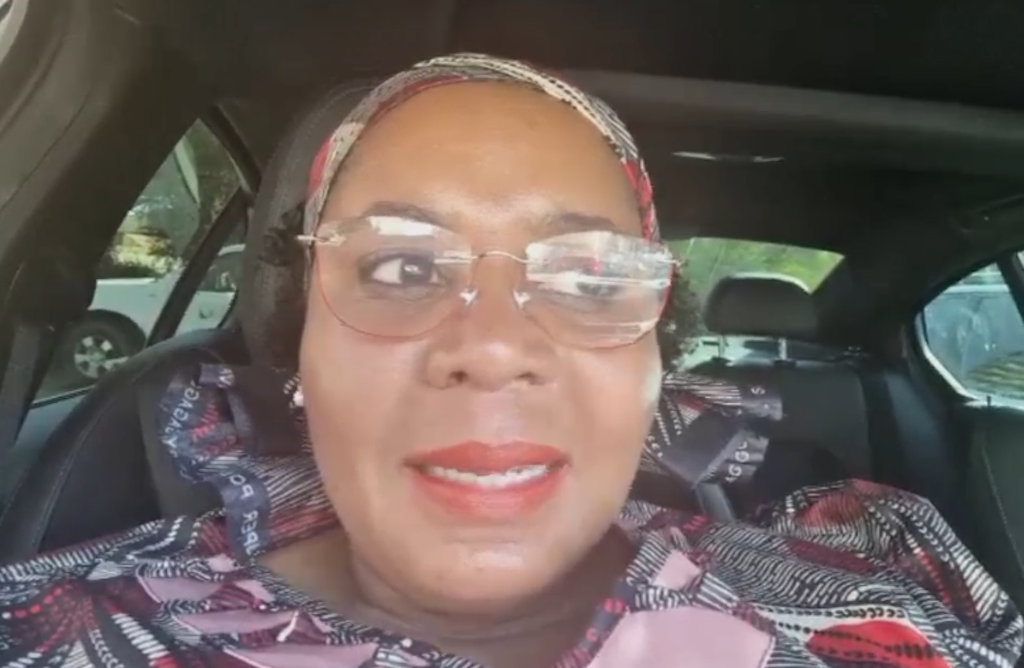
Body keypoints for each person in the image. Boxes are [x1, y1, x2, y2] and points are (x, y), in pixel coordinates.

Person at [0, 53, 1020, 668]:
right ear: (298, 340)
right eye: (402, 265)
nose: (491, 348)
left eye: (587, 277)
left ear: (653, 366)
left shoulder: (874, 578)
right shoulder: (60, 628)